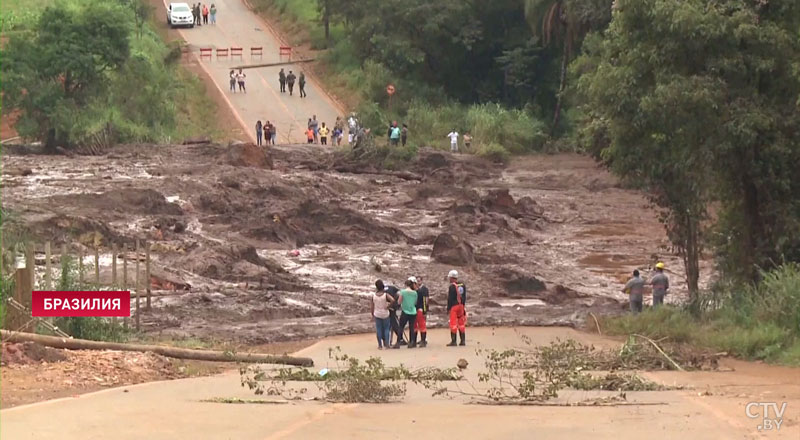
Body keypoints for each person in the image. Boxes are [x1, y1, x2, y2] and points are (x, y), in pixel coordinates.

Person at [393, 278, 418, 349]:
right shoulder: (415, 293)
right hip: (413, 311)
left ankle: (398, 342)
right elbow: (415, 302)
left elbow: (399, 301)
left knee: (401, 327)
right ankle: (411, 342)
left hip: (405, 311)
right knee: (412, 327)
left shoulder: (403, 292)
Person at [446, 270, 467, 346]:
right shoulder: (462, 285)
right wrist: (463, 306)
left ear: (452, 277)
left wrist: (448, 308)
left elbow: (450, 298)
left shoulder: (452, 287)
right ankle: (463, 341)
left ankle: (454, 341)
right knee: (461, 324)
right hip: (461, 306)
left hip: (454, 307)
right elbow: (464, 297)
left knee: (453, 324)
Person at [372, 281, 392, 349]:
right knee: (386, 329)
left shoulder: (374, 296)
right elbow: (393, 300)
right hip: (385, 313)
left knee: (378, 329)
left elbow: (372, 306)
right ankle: (387, 344)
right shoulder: (385, 295)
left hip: (377, 313)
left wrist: (372, 314)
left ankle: (380, 345)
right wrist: (388, 307)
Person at [411, 276, 429, 348]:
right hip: (414, 310)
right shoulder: (414, 291)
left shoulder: (423, 290)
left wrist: (425, 311)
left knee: (422, 326)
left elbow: (425, 301)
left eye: (419, 281)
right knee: (415, 326)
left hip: (420, 309)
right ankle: (414, 341)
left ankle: (423, 341)